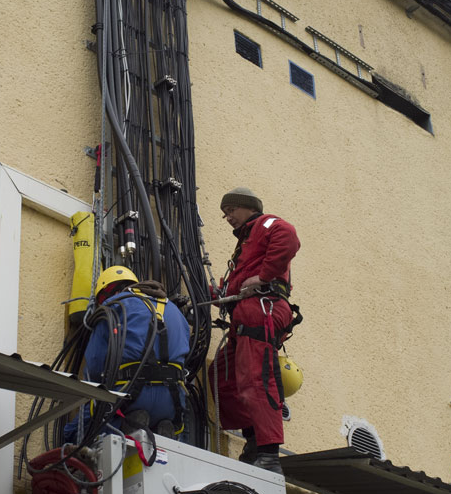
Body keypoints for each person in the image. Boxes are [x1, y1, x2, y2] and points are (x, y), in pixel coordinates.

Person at [208, 187, 300, 474]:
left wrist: (263, 276)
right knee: (222, 375)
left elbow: (289, 236)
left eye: (231, 210)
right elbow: (232, 290)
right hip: (245, 315)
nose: (228, 217)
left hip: (262, 309)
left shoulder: (266, 224)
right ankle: (254, 439)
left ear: (248, 207)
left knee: (256, 379)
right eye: (224, 214)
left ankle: (269, 453)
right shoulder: (246, 244)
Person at [81, 265, 191, 438]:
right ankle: (161, 428)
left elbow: (95, 363)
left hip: (130, 395)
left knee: (79, 427)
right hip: (172, 400)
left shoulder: (114, 305)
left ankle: (131, 423)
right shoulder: (177, 313)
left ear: (112, 292)